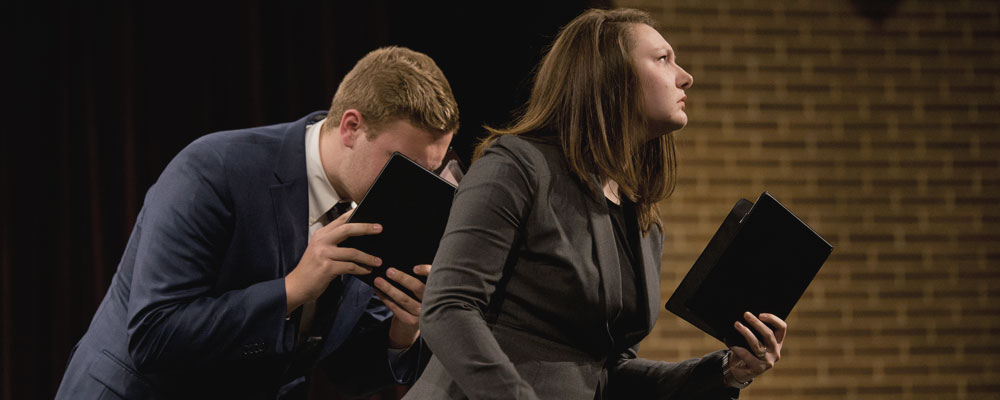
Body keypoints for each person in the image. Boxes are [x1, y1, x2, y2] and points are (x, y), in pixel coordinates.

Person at [404, 8, 786, 399]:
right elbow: (448, 308)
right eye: (662, 59)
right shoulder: (516, 166)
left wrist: (725, 371)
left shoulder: (643, 220)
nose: (685, 76)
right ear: (609, 77)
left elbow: (611, 372)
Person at [55, 46, 459, 399]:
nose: (411, 192)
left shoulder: (378, 211)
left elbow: (346, 375)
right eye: (402, 166)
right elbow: (153, 336)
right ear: (352, 128)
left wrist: (404, 329)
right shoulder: (214, 169)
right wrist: (293, 288)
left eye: (427, 173)